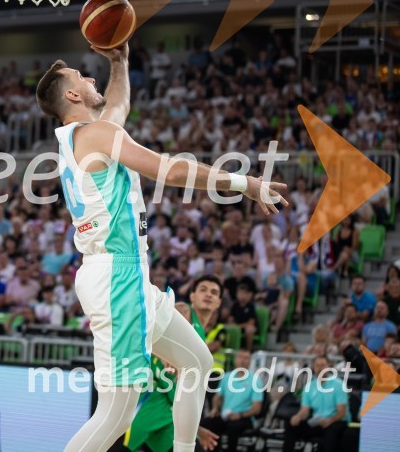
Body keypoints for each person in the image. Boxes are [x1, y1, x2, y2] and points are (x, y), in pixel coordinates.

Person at [36, 44, 286, 452]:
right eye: (84, 77)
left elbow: (116, 107)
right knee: (116, 412)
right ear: (72, 96)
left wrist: (121, 62)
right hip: (117, 276)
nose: (91, 78)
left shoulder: (83, 135)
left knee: (197, 363)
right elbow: (170, 170)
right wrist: (246, 183)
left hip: (126, 274)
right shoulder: (95, 134)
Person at [117, 275, 224, 452]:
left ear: (219, 302)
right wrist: (167, 354)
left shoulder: (202, 335)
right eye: (203, 290)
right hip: (151, 396)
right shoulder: (184, 311)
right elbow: (161, 325)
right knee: (119, 444)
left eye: (214, 292)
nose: (209, 295)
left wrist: (197, 428)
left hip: (169, 406)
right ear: (192, 296)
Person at [202, 349, 264, 452]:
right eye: (240, 357)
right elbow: (217, 397)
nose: (242, 361)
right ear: (235, 360)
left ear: (249, 361)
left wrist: (239, 415)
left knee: (233, 427)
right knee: (206, 423)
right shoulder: (227, 377)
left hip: (244, 418)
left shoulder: (255, 381)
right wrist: (215, 409)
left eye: (246, 358)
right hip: (226, 416)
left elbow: (256, 408)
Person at [284, 356, 349, 452]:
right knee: (291, 424)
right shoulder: (309, 386)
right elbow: (304, 410)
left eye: (323, 365)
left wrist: (330, 420)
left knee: (331, 430)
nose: (320, 368)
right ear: (313, 368)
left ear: (329, 366)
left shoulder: (339, 384)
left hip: (335, 421)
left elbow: (341, 412)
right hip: (317, 422)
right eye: (317, 365)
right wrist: (298, 416)